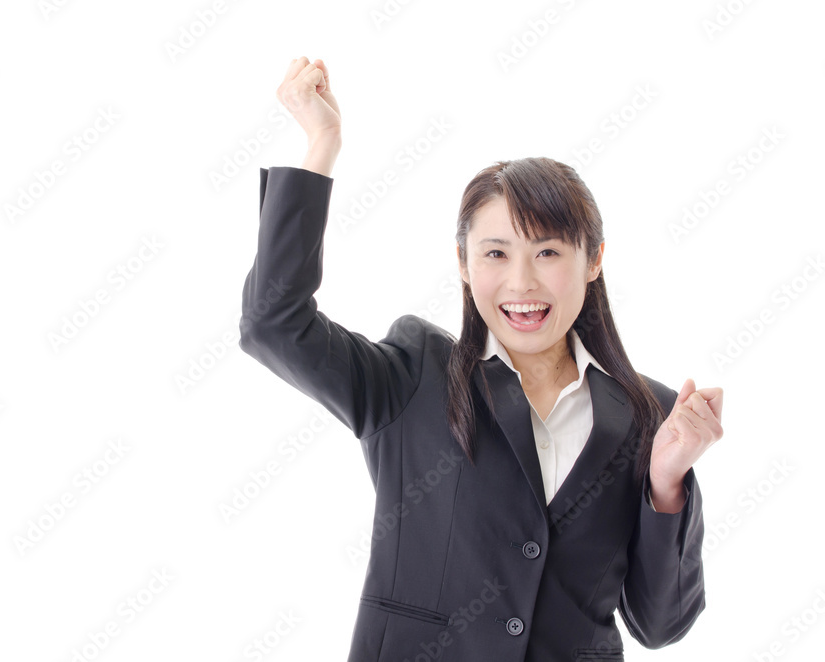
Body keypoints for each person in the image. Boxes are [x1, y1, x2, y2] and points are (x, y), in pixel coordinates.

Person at [239, 56, 724, 662]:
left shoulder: (649, 412)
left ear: (594, 259)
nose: (522, 283)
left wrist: (668, 481)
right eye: (496, 253)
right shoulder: (413, 375)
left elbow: (661, 626)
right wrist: (322, 142)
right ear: (465, 265)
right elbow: (274, 325)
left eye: (547, 252)